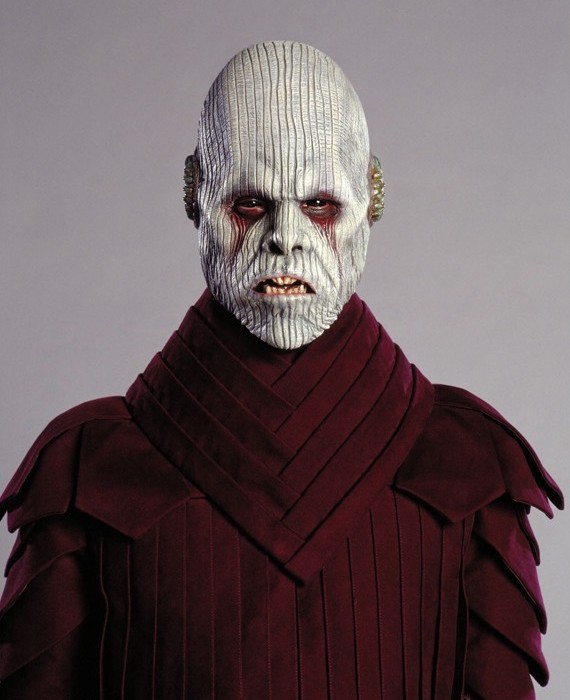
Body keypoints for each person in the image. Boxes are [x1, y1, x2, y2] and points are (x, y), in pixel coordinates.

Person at [0, 40, 562, 699]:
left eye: (319, 204)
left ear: (371, 199)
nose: (285, 237)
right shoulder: (87, 472)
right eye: (249, 204)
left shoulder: (467, 466)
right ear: (196, 198)